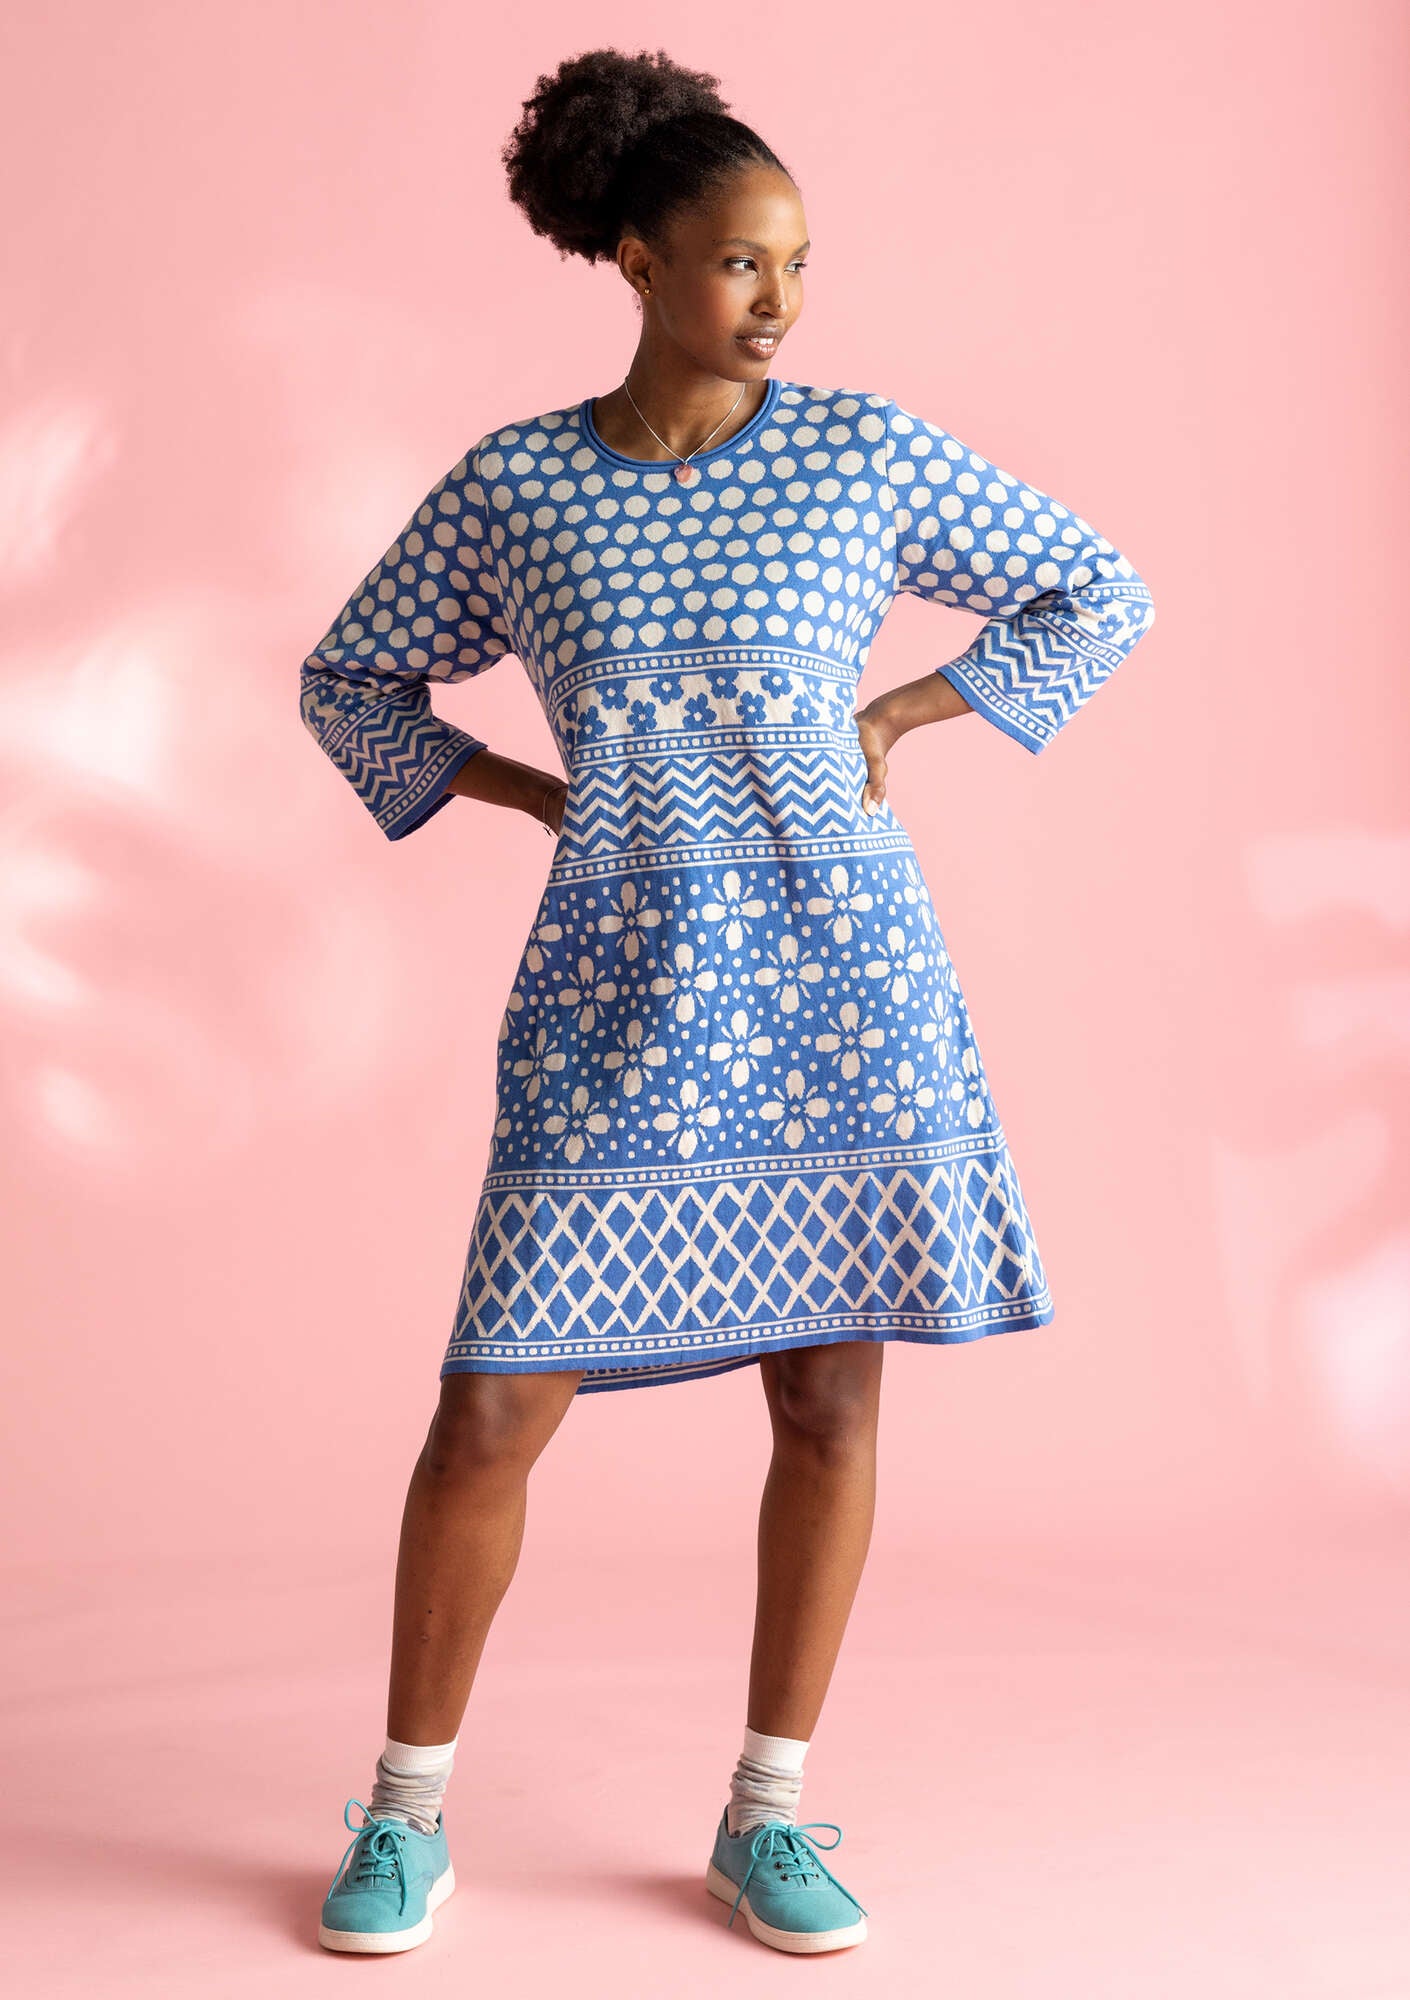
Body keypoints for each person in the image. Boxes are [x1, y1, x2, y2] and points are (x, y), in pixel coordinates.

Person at [299, 45, 1156, 1959]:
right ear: (635, 258)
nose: (780, 299)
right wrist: (526, 791)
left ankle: (767, 1810)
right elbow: (350, 677)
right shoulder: (519, 487)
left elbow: (1094, 588)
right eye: (740, 262)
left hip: (843, 977)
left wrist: (905, 711)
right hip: (620, 977)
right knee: (489, 1407)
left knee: (829, 1396)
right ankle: (404, 1813)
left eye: (798, 261)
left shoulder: (861, 453)